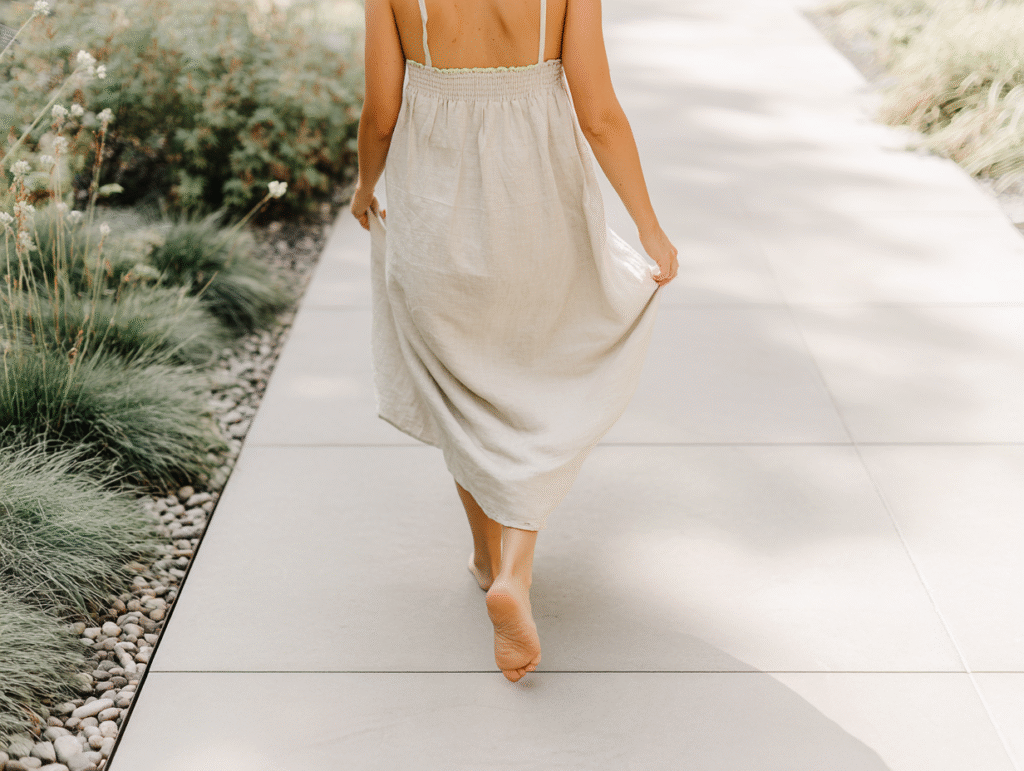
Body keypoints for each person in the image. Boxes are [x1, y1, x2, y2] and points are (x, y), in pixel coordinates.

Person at [350, 0, 678, 682]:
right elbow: (598, 113)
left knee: (466, 387)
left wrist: (364, 185)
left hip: (435, 213)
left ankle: (490, 558)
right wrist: (648, 225)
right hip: (538, 207)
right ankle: (509, 569)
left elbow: (381, 111)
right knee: (539, 383)